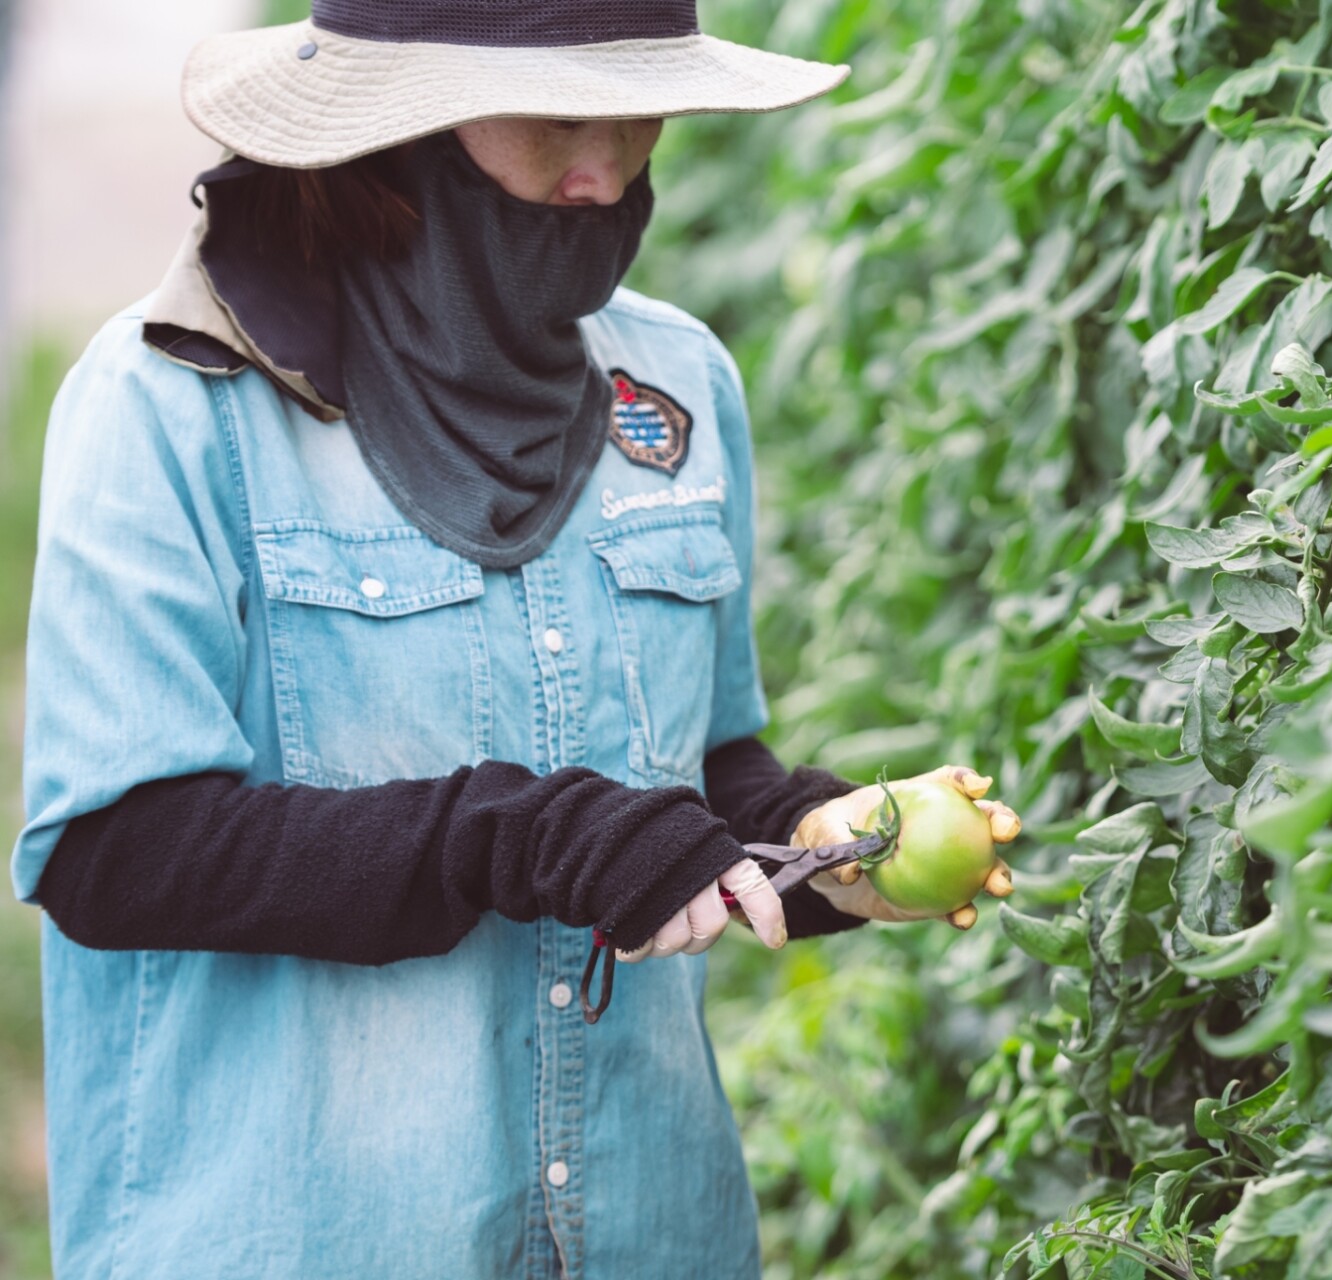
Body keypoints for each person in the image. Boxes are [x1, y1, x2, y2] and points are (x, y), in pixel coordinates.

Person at [8, 3, 1018, 1276]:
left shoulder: (679, 384)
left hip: (647, 1231)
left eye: (636, 114)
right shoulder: (173, 399)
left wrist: (830, 845)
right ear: (401, 129)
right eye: (552, 121)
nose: (603, 172)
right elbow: (116, 853)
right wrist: (519, 836)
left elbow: (692, 777)